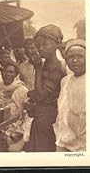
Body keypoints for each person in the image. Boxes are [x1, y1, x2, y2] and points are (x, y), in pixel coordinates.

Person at [25, 24, 66, 152]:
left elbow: (40, 95)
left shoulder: (58, 69)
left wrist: (37, 69)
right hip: (40, 117)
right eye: (38, 45)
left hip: (48, 121)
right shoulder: (44, 65)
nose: (40, 48)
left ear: (56, 45)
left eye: (45, 45)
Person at [0, 61, 29, 151]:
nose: (7, 74)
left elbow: (27, 115)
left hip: (16, 130)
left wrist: (14, 131)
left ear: (16, 74)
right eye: (5, 71)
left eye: (11, 72)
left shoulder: (22, 90)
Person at [53, 39, 86, 152]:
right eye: (71, 56)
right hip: (64, 140)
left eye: (80, 56)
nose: (75, 60)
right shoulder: (65, 81)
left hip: (84, 144)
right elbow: (62, 110)